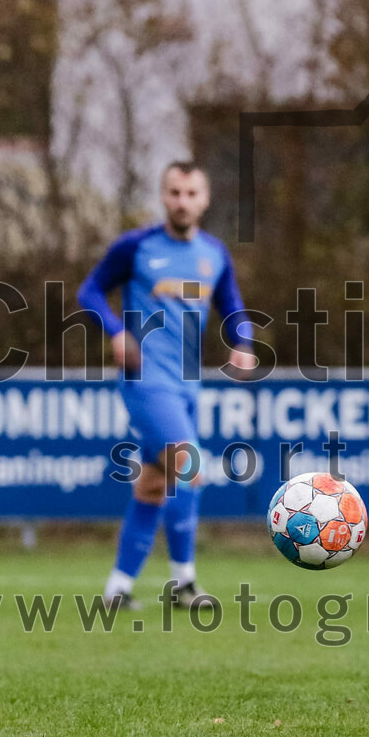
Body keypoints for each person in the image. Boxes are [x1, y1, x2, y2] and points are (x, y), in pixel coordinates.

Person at [78, 161, 254, 610]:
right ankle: (184, 584)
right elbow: (91, 291)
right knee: (191, 467)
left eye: (191, 193)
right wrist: (117, 331)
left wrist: (243, 342)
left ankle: (117, 590)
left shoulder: (214, 253)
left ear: (205, 199)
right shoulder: (136, 246)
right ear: (163, 196)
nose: (182, 201)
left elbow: (232, 306)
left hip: (188, 386)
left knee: (154, 486)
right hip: (146, 381)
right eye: (174, 192)